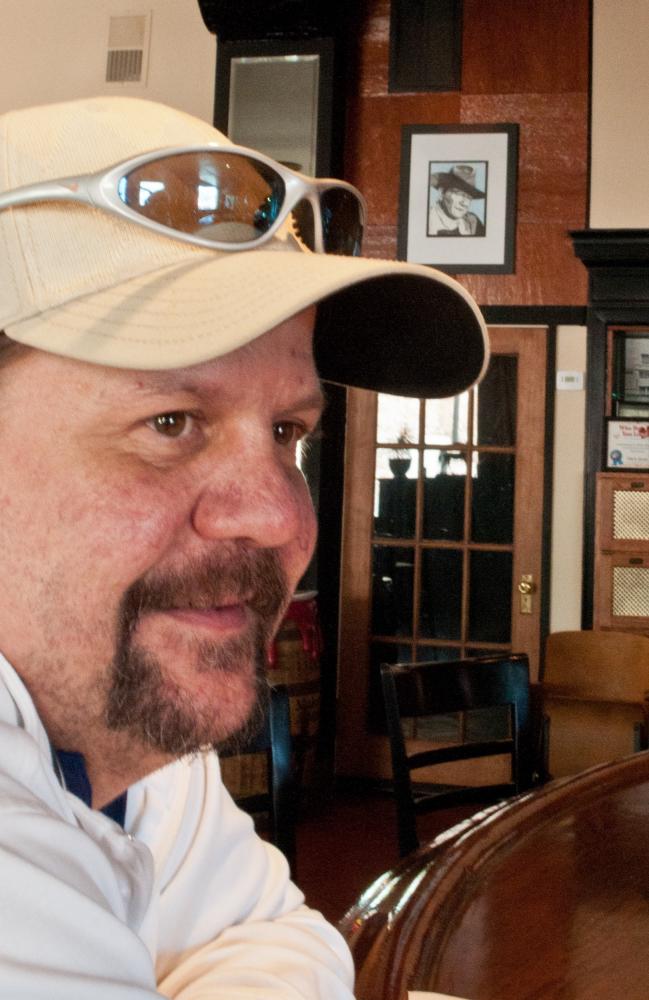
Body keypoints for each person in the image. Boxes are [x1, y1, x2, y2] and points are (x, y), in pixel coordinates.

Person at [0, 95, 488, 998]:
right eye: (170, 421)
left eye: (287, 432)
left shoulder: (126, 726)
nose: (275, 517)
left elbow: (267, 931)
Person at [428, 163, 486, 236]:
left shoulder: (473, 223)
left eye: (469, 197)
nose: (464, 203)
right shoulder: (426, 220)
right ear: (441, 192)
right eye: (458, 194)